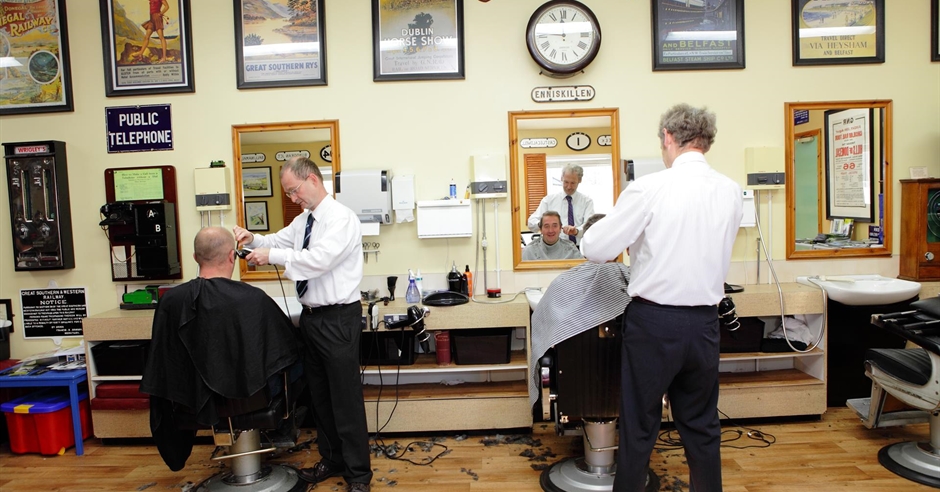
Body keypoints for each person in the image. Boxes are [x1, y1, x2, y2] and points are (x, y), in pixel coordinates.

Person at [581, 104, 743, 492]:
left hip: (654, 324)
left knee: (639, 426)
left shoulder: (649, 188)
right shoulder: (730, 190)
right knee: (702, 427)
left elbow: (596, 248)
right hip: (704, 324)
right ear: (705, 142)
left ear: (668, 137)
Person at [233, 156, 371, 492]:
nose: (293, 198)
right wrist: (253, 239)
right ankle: (332, 459)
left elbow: (317, 260)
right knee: (320, 396)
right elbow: (278, 241)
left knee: (345, 400)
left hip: (338, 319)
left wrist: (271, 257)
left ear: (312, 179)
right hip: (311, 319)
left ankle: (358, 475)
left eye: (294, 191)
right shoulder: (305, 220)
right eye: (288, 194)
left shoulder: (341, 219)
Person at [141, 227, 300, 472]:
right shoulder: (252, 298)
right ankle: (280, 431)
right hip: (249, 397)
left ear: (195, 258)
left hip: (191, 397)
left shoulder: (171, 300)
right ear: (231, 256)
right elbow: (286, 350)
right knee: (300, 361)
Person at [528, 214, 630, 406]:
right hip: (625, 388)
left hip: (574, 384)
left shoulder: (562, 284)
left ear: (585, 245)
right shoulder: (632, 282)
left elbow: (543, 330)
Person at [527, 164, 595, 244]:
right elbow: (531, 223)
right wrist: (543, 224)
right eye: (566, 182)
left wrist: (576, 231)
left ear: (579, 180)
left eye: (573, 183)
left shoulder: (587, 202)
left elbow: (589, 227)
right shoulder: (548, 200)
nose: (569, 187)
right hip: (553, 247)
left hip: (579, 247)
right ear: (561, 178)